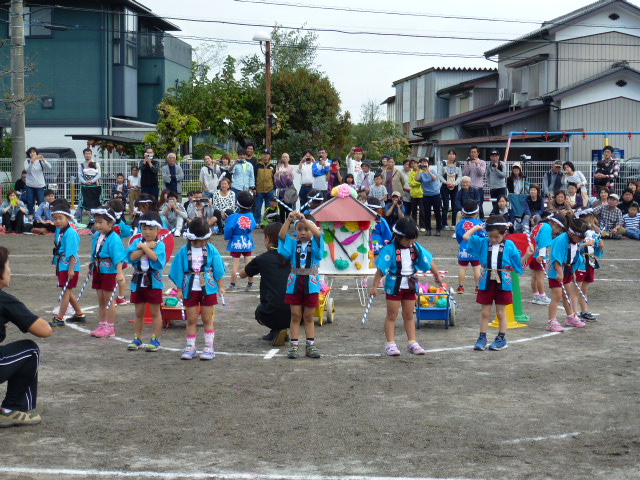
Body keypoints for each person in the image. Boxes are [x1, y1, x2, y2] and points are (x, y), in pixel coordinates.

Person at [369, 217, 444, 356]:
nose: (410, 242)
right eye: (407, 239)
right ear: (398, 236)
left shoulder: (415, 247)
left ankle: (412, 342)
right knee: (392, 315)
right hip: (394, 285)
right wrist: (374, 286)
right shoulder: (389, 249)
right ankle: (390, 344)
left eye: (413, 239)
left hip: (410, 285)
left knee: (409, 315)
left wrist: (437, 275)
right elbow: (380, 270)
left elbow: (429, 261)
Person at [0, 246, 53, 428]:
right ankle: (12, 409)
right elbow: (44, 331)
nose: (10, 271)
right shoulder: (4, 299)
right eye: (8, 266)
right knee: (30, 350)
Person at [463, 215, 532, 350]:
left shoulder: (510, 245)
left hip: (502, 279)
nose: (493, 240)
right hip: (487, 278)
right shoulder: (483, 242)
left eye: (497, 237)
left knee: (501, 312)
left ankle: (501, 338)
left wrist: (528, 254)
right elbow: (466, 237)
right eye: (491, 236)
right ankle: (482, 337)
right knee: (485, 311)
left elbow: (517, 264)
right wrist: (476, 228)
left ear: (505, 233)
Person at [170, 217, 226, 361]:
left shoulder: (211, 249)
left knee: (207, 318)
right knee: (191, 319)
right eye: (198, 241)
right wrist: (179, 289)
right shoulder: (184, 251)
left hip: (208, 287)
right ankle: (190, 347)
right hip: (190, 288)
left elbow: (218, 268)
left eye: (204, 240)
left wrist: (220, 286)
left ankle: (209, 347)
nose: (202, 243)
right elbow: (178, 270)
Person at [278, 211, 324, 359]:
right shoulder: (293, 243)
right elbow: (282, 236)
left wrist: (305, 219)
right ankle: (294, 345)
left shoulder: (315, 243)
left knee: (309, 316)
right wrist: (289, 220)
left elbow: (318, 234)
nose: (303, 232)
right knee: (296, 315)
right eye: (299, 229)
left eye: (306, 229)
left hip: (311, 283)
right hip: (294, 282)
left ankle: (310, 346)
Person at [241, 222, 291, 346]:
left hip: (271, 311)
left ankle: (277, 329)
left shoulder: (263, 259)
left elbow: (243, 274)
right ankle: (278, 331)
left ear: (268, 239)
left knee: (259, 312)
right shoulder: (292, 257)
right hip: (296, 312)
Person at [126, 212, 167, 352]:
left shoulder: (159, 244)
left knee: (155, 312)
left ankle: (155, 339)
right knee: (138, 312)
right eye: (144, 229)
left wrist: (144, 248)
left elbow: (156, 258)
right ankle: (137, 338)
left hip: (153, 281)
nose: (147, 232)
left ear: (158, 230)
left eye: (151, 229)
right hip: (138, 281)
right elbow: (132, 256)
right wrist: (145, 247)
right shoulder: (137, 243)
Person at [545, 217, 593, 332]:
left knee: (567, 294)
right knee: (557, 296)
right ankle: (551, 321)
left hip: (568, 270)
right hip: (557, 271)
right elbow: (556, 258)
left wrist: (573, 272)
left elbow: (575, 256)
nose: (581, 240)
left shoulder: (575, 240)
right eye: (580, 237)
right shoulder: (561, 240)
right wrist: (560, 273)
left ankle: (570, 317)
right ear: (572, 233)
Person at [88, 207, 126, 338]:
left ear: (110, 223)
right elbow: (94, 253)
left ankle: (110, 327)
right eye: (96, 222)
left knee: (109, 300)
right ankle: (102, 324)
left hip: (109, 271)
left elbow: (118, 257)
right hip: (98, 269)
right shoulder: (97, 236)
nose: (97, 225)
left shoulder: (114, 239)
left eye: (100, 222)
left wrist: (119, 273)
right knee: (101, 300)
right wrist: (91, 266)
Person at [48, 201, 85, 326]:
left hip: (69, 265)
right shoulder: (62, 231)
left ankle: (60, 318)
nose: (57, 221)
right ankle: (79, 314)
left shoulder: (70, 233)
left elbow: (73, 253)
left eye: (60, 218)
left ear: (68, 218)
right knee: (67, 290)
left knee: (66, 292)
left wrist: (71, 269)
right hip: (63, 264)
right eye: (55, 219)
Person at [529, 212, 568, 305]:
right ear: (556, 224)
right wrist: (542, 255)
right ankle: (542, 296)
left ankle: (536, 295)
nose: (558, 231)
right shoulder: (547, 228)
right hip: (539, 255)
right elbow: (543, 242)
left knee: (534, 276)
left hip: (531, 254)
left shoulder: (540, 225)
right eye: (559, 228)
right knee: (540, 277)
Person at [574, 208, 604, 322]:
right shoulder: (577, 233)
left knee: (584, 290)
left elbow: (596, 250)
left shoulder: (592, 233)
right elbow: (574, 248)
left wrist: (600, 246)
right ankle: (574, 312)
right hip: (580, 264)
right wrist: (585, 243)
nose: (592, 221)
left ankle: (584, 311)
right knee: (577, 289)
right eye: (589, 219)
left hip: (590, 263)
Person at [225, 191, 257, 291]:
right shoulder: (250, 215)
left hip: (236, 241)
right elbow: (253, 226)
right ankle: (250, 284)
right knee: (248, 262)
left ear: (237, 204)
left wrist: (228, 237)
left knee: (236, 263)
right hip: (247, 240)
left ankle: (232, 284)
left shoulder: (233, 217)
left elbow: (228, 229)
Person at [455, 200, 484, 294]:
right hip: (476, 249)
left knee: (462, 267)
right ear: (476, 212)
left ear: (463, 212)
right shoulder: (480, 223)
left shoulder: (460, 223)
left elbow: (458, 237)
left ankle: (461, 287)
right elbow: (483, 236)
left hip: (463, 247)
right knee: (476, 267)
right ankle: (478, 287)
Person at [24, 147, 52, 217]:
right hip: (30, 185)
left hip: (40, 185)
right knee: (30, 202)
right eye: (31, 152)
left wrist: (44, 160)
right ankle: (30, 215)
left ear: (37, 153)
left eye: (34, 152)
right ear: (29, 154)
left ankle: (41, 215)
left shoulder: (40, 161)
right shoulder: (27, 161)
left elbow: (49, 167)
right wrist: (32, 162)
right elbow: (28, 171)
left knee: (41, 202)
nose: (32, 153)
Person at [462, 146, 486, 219]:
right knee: (469, 206)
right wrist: (468, 165)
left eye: (474, 152)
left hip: (478, 188)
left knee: (479, 206)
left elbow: (481, 173)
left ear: (478, 153)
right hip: (469, 189)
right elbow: (464, 174)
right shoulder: (467, 163)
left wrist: (477, 164)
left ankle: (481, 221)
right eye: (471, 152)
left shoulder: (482, 162)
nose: (473, 154)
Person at [419, 158, 442, 236]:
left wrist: (428, 170)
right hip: (426, 195)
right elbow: (417, 179)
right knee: (427, 213)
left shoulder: (432, 171)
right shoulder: (421, 174)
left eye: (425, 162)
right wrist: (419, 170)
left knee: (437, 212)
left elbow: (435, 178)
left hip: (435, 195)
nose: (424, 164)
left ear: (428, 164)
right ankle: (428, 229)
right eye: (422, 163)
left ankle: (438, 229)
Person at [440, 150, 461, 231]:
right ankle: (444, 224)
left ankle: (453, 224)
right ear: (448, 155)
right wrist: (446, 182)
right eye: (450, 154)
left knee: (454, 206)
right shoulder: (443, 164)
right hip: (444, 186)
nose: (451, 156)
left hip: (455, 187)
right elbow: (440, 175)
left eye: (453, 154)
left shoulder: (458, 165)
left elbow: (460, 176)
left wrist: (455, 183)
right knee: (445, 205)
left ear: (455, 156)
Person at [255, 148, 276, 224]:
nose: (265, 155)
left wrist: (274, 188)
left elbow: (275, 178)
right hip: (259, 189)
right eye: (264, 154)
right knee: (258, 207)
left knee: (268, 208)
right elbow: (254, 176)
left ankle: (266, 222)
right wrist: (254, 188)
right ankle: (258, 222)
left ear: (269, 155)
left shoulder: (272, 166)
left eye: (267, 154)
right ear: (262, 155)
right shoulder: (258, 165)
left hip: (269, 189)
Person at [275, 153, 297, 222]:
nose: (285, 158)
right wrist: (278, 175)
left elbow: (291, 181)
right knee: (281, 209)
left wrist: (288, 175)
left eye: (286, 157)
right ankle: (281, 224)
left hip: (289, 192)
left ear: (289, 159)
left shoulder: (291, 168)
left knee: (289, 209)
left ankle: (289, 223)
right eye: (283, 157)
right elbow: (277, 184)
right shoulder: (278, 169)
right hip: (281, 192)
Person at [407, 159, 425, 231]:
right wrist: (417, 182)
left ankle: (423, 226)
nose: (413, 165)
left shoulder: (422, 171)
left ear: (418, 164)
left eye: (414, 163)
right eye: (412, 164)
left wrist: (416, 182)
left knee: (422, 211)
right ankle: (414, 226)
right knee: (413, 211)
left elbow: (423, 181)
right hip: (413, 194)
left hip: (421, 194)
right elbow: (410, 183)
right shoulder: (411, 173)